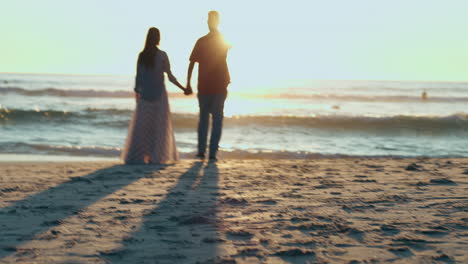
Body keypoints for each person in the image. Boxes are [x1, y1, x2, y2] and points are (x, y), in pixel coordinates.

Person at [122, 27, 186, 164]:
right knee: (159, 128)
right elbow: (170, 77)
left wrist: (137, 95)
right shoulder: (162, 55)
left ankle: (141, 156)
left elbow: (138, 78)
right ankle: (154, 157)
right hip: (159, 96)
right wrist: (183, 88)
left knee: (144, 128)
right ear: (158, 39)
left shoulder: (142, 55)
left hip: (144, 96)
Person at [186, 10, 231, 161]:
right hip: (209, 85)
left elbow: (192, 62)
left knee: (210, 119)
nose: (208, 22)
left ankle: (208, 152)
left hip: (215, 85)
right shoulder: (212, 40)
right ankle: (206, 152)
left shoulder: (209, 40)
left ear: (213, 22)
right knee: (210, 120)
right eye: (209, 20)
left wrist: (188, 83)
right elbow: (192, 63)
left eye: (210, 20)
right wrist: (188, 83)